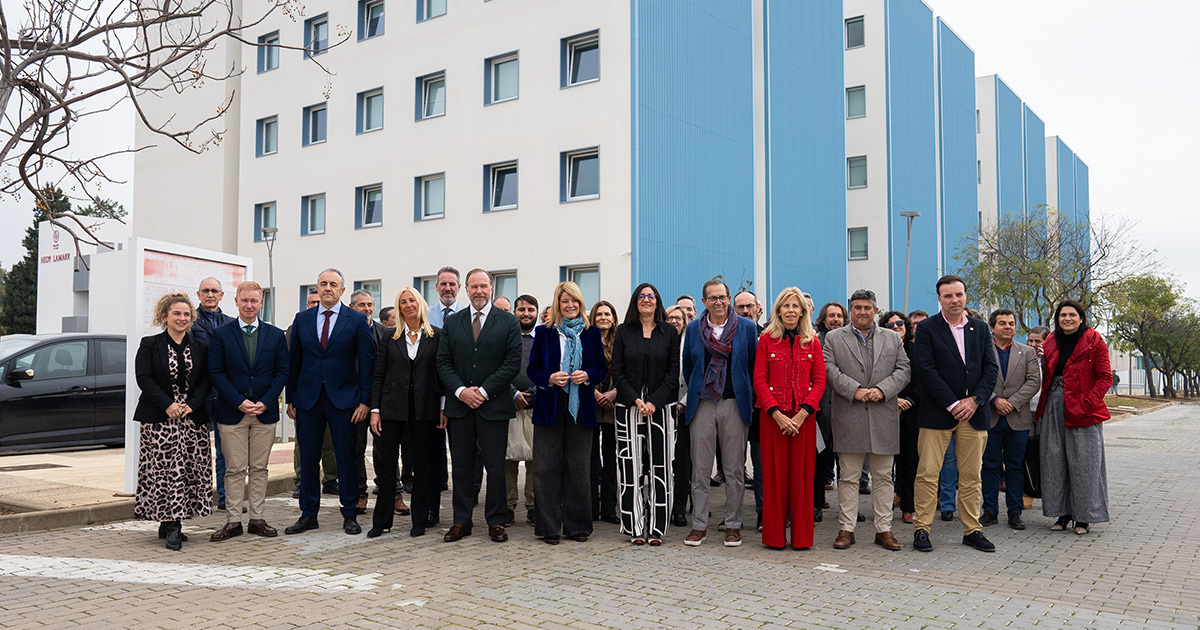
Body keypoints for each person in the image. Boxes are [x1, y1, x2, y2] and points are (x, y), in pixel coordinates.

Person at [285, 268, 376, 536]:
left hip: (344, 400)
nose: (327, 288)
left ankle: (349, 514)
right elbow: (295, 361)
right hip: (308, 399)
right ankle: (308, 514)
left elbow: (367, 364)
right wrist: (291, 398)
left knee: (345, 457)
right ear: (317, 288)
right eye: (323, 284)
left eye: (333, 284)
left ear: (342, 290)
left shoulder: (357, 320)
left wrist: (364, 401)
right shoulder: (302, 319)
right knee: (310, 457)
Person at [911, 275, 999, 553]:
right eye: (948, 296)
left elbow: (991, 369)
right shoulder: (926, 328)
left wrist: (975, 400)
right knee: (927, 473)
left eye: (958, 295)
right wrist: (953, 403)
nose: (954, 300)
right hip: (938, 413)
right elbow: (925, 370)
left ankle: (972, 530)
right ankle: (922, 529)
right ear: (939, 299)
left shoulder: (981, 328)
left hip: (974, 414)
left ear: (965, 296)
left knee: (972, 476)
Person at [436, 268, 523, 543]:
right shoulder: (454, 322)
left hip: (494, 406)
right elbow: (443, 362)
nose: (478, 291)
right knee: (461, 466)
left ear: (491, 288)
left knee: (495, 467)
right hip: (460, 407)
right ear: (466, 289)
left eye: (483, 286)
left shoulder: (508, 322)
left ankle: (496, 521)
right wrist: (462, 391)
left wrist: (483, 392)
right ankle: (461, 521)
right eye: (473, 287)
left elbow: (511, 364)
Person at [824, 290, 910, 551]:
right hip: (849, 413)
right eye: (857, 307)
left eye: (867, 307)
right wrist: (855, 389)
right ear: (851, 310)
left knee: (883, 477)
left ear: (876, 310)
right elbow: (829, 369)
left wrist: (883, 390)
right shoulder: (834, 337)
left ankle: (884, 529)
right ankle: (846, 528)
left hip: (883, 414)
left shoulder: (893, 338)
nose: (862, 311)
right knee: (848, 477)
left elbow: (904, 369)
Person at [207, 281, 289, 541]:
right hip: (233, 413)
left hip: (264, 412)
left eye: (254, 300)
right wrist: (238, 402)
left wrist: (266, 400)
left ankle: (257, 518)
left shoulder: (275, 335)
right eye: (245, 300)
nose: (249, 305)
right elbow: (216, 372)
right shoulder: (221, 334)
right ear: (236, 301)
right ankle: (232, 521)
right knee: (234, 468)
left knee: (259, 468)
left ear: (261, 302)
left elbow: (282, 372)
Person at [527, 282, 607, 544]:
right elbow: (533, 370)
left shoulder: (591, 333)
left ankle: (577, 526)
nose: (570, 305)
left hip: (581, 409)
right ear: (557, 304)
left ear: (581, 304)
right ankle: (549, 527)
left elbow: (600, 368)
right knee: (545, 468)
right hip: (550, 406)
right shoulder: (544, 333)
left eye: (574, 301)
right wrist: (549, 377)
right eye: (564, 301)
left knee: (579, 468)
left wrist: (588, 376)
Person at [133, 293, 213, 550]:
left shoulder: (200, 346)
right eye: (177, 314)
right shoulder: (150, 344)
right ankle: (172, 524)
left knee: (187, 471)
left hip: (191, 418)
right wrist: (167, 404)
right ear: (164, 316)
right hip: (160, 418)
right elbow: (144, 378)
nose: (182, 318)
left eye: (186, 314)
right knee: (165, 472)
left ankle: (172, 521)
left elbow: (206, 381)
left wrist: (192, 404)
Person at [681, 279, 757, 548]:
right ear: (704, 301)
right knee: (700, 469)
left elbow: (751, 366)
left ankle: (733, 525)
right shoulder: (693, 329)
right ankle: (699, 525)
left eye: (722, 297)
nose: (718, 302)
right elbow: (688, 367)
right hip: (702, 403)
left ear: (729, 299)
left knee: (734, 470)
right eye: (712, 298)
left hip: (734, 403)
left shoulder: (747, 328)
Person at [752, 287, 826, 550]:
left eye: (796, 306)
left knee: (802, 480)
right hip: (774, 420)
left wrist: (804, 412)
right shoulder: (766, 340)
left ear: (803, 311)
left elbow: (819, 380)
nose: (791, 311)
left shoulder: (812, 341)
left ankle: (802, 539)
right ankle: (774, 538)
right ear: (778, 310)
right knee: (774, 479)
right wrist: (776, 413)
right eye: (786, 306)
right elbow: (759, 379)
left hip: (803, 421)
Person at [368, 287, 445, 538]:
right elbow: (379, 374)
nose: (408, 305)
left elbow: (442, 374)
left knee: (422, 465)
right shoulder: (390, 337)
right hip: (391, 409)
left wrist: (443, 408)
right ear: (398, 307)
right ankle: (381, 521)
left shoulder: (437, 337)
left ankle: (419, 520)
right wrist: (375, 410)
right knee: (388, 466)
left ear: (420, 304)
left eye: (412, 300)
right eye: (403, 302)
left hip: (426, 409)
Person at [610, 283, 681, 545]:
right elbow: (617, 371)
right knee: (631, 468)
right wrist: (638, 400)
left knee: (661, 467)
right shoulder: (623, 332)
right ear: (635, 302)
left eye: (651, 296)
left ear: (658, 301)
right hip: (629, 407)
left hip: (662, 408)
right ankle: (634, 527)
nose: (646, 300)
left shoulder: (670, 332)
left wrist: (654, 401)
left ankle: (658, 528)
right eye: (641, 297)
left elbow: (674, 372)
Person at [1035, 300, 1111, 535]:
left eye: (1072, 314)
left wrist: (1089, 402)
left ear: (1081, 317)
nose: (1067, 318)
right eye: (1062, 315)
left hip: (1083, 407)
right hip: (1054, 404)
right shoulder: (1050, 341)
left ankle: (1084, 518)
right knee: (1054, 460)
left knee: (1085, 463)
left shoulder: (1094, 340)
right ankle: (1063, 513)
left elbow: (1105, 377)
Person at [978, 308, 1040, 531]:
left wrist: (1011, 402)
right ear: (992, 327)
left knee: (1015, 467)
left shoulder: (1028, 352)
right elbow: (976, 378)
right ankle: (989, 511)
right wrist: (995, 401)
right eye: (1002, 323)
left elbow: (1034, 382)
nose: (1008, 327)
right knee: (990, 466)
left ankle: (1015, 512)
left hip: (1018, 417)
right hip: (990, 416)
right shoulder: (982, 351)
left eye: (1011, 323)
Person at [289, 290, 338, 500]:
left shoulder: (338, 322)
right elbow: (292, 362)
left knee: (331, 441)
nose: (314, 304)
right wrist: (290, 396)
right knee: (303, 443)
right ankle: (302, 481)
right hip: (306, 395)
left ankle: (330, 479)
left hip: (333, 394)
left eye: (317, 301)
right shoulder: (297, 325)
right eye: (311, 302)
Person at [192, 277, 233, 510]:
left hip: (224, 395)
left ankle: (225, 499)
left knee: (225, 451)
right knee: (198, 452)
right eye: (205, 291)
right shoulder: (190, 322)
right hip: (199, 395)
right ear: (198, 295)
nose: (210, 294)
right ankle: (199, 499)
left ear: (221, 295)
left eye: (214, 291)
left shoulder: (230, 323)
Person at [350, 289, 391, 515]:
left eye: (370, 305)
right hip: (355, 401)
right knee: (356, 449)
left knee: (385, 449)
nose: (366, 309)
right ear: (352, 307)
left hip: (382, 401)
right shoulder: (346, 331)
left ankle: (391, 493)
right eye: (361, 305)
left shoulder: (385, 332)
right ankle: (360, 494)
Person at [506, 295, 539, 526]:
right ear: (514, 312)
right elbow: (496, 367)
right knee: (507, 460)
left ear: (537, 312)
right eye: (521, 309)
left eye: (530, 309)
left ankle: (534, 507)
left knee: (535, 461)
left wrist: (533, 393)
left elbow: (551, 367)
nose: (525, 313)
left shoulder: (544, 338)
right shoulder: (505, 338)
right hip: (508, 405)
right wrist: (512, 393)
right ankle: (507, 507)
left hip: (536, 406)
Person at [885, 311, 920, 525]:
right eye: (891, 325)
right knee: (884, 466)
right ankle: (884, 507)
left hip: (911, 413)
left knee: (910, 464)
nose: (896, 327)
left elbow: (922, 379)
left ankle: (909, 507)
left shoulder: (916, 350)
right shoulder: (880, 350)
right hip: (885, 410)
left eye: (899, 323)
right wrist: (893, 399)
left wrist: (908, 400)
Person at [813, 302, 848, 521]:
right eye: (831, 315)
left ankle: (848, 509)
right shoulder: (815, 341)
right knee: (818, 464)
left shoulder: (852, 341)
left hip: (847, 412)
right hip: (820, 413)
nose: (835, 319)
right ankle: (815, 504)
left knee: (847, 467)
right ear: (823, 319)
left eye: (839, 316)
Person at [733, 290, 765, 528]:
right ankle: (733, 517)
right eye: (740, 307)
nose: (745, 311)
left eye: (749, 306)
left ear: (758, 308)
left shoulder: (770, 335)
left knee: (762, 464)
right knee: (733, 465)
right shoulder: (728, 335)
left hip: (763, 410)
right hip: (735, 407)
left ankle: (764, 513)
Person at [588, 300, 620, 524]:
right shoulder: (586, 340)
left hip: (613, 407)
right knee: (589, 459)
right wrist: (595, 394)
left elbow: (629, 371)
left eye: (607, 314)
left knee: (611, 459)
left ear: (614, 318)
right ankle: (590, 507)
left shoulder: (620, 342)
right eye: (599, 314)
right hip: (590, 404)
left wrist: (614, 393)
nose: (603, 317)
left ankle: (609, 508)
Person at [665, 305, 692, 527]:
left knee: (682, 462)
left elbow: (697, 374)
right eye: (670, 317)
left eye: (678, 318)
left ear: (684, 321)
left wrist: (683, 404)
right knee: (662, 461)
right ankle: (661, 504)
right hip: (660, 408)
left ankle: (679, 507)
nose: (674, 321)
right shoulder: (659, 340)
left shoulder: (691, 342)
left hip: (684, 410)